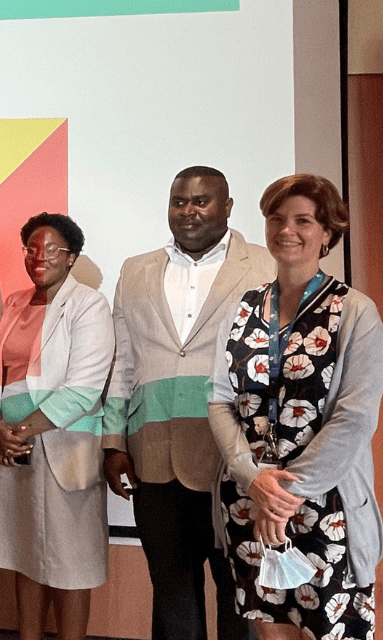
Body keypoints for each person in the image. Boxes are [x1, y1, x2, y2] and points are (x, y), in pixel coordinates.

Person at [101, 166, 274, 640]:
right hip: (153, 456)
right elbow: (124, 361)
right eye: (179, 202)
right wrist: (113, 440)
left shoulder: (264, 266)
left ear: (227, 207)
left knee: (239, 592)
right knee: (171, 591)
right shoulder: (135, 270)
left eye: (202, 201)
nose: (189, 211)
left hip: (234, 457)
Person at [209, 174, 383, 639]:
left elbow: (356, 416)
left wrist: (286, 494)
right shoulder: (242, 309)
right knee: (270, 629)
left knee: (330, 630)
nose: (286, 229)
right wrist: (253, 478)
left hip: (326, 503)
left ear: (327, 233)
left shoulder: (355, 311)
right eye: (276, 218)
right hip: (249, 499)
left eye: (303, 220)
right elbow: (219, 399)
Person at [0, 213, 113, 640]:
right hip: (13, 450)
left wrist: (17, 433)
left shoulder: (90, 304)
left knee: (71, 563)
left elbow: (83, 390)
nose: (40, 257)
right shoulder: (15, 303)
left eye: (52, 249)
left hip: (62, 447)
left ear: (71, 257)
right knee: (26, 556)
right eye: (31, 248)